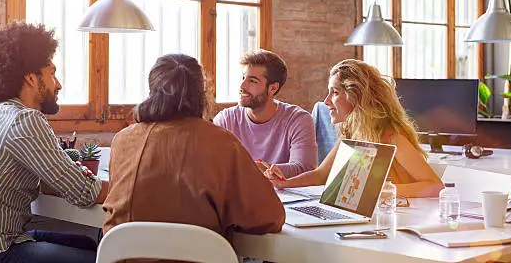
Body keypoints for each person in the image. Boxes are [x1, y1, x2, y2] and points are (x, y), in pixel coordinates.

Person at [0, 23, 105, 263]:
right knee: (98, 257)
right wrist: (131, 187)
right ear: (31, 78)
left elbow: (58, 180)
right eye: (51, 74)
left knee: (89, 244)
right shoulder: (23, 120)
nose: (58, 84)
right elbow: (85, 192)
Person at [103, 53, 285, 239]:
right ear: (201, 92)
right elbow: (270, 217)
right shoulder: (221, 142)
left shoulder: (122, 140)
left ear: (151, 89)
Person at [265, 59, 443, 198]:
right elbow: (321, 175)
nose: (326, 101)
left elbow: (435, 186)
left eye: (335, 93)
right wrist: (284, 183)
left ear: (357, 96)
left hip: (401, 218)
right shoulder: (350, 132)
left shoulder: (391, 136)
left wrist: (379, 192)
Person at [213, 49, 317, 178]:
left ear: (273, 88)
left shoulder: (298, 120)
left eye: (252, 81)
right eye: (243, 78)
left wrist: (255, 168)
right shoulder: (225, 120)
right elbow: (214, 168)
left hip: (283, 196)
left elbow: (303, 168)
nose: (242, 86)